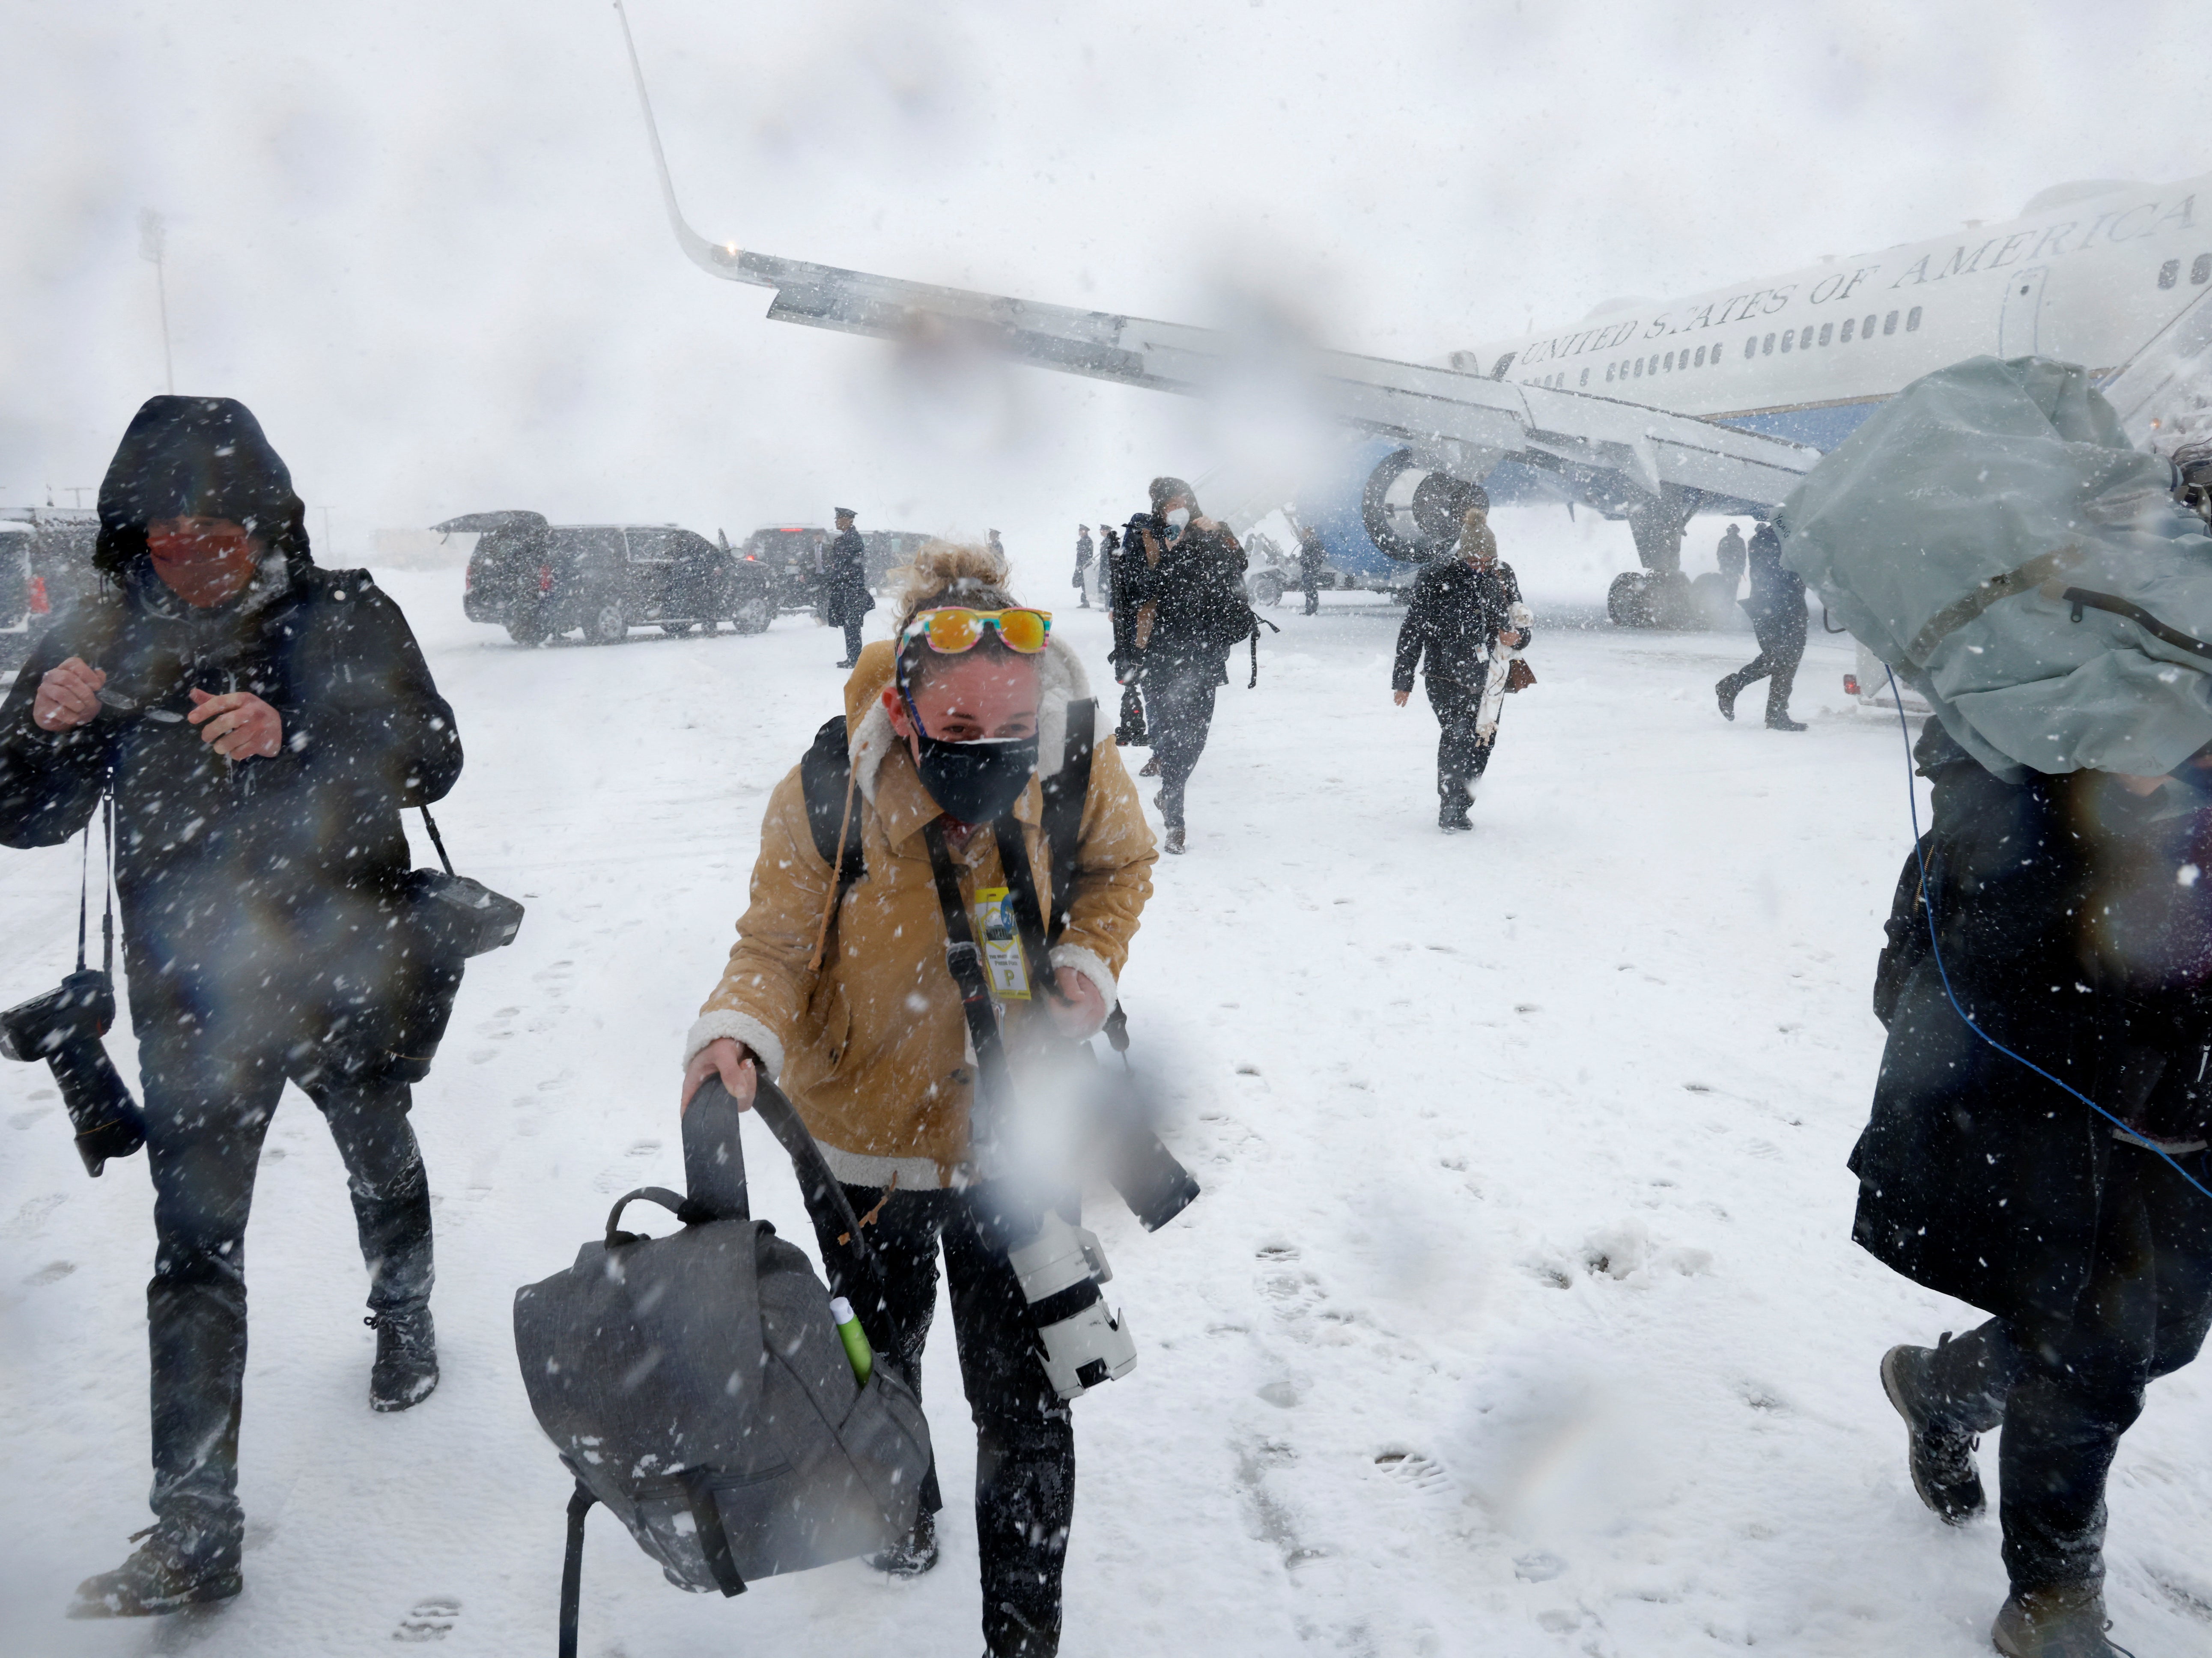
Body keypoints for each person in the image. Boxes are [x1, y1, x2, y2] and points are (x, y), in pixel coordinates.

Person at [0, 397, 463, 1616]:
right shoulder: (102, 632)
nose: (189, 558)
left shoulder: (345, 612)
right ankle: (195, 1526)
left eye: (211, 534)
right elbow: (22, 815)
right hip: (193, 993)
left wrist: (296, 730)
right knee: (193, 1250)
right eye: (161, 539)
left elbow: (432, 756)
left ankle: (403, 1307)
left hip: (346, 960)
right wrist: (41, 729)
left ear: (264, 519)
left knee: (376, 1144)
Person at [680, 541, 1156, 1658]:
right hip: (864, 1153)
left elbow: (1121, 866)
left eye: (1005, 725)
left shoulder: (1074, 757)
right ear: (904, 701)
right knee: (877, 1376)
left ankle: (1021, 1635)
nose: (982, 747)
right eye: (954, 724)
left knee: (1027, 1408)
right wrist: (733, 1029)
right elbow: (775, 942)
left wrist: (1086, 957)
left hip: (1015, 1142)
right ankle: (903, 1512)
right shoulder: (824, 787)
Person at [1859, 716, 2212, 1658]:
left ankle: (1941, 1390)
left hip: (2191, 1108)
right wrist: (2112, 804)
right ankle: (2049, 1604)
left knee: (2168, 1336)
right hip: (2059, 1102)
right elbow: (1970, 934)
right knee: (2093, 1358)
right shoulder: (2037, 722)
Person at [1121, 477, 1250, 856]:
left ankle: (1170, 790)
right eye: (1173, 502)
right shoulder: (1145, 535)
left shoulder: (1210, 529)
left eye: (1186, 500)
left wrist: (1219, 534)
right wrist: (1172, 551)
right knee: (1170, 730)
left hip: (1206, 648)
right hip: (1161, 649)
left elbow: (1238, 564)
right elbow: (1138, 588)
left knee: (1197, 734)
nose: (1181, 506)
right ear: (1159, 505)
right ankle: (1175, 816)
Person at [1391, 503, 1529, 832]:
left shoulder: (1502, 574)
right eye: (1473, 561)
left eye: (1487, 562)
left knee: (1482, 741)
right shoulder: (1438, 576)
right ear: (1461, 556)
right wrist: (1403, 679)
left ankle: (1463, 803)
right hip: (1445, 674)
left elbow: (1521, 621)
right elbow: (1413, 630)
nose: (1481, 568)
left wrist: (1518, 637)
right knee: (1457, 736)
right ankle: (1450, 805)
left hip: (1490, 677)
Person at [1715, 519, 1807, 731]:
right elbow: (1782, 573)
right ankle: (1736, 690)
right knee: (1780, 658)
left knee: (1785, 659)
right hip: (1777, 606)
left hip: (1783, 605)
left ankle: (1773, 712)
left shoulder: (1775, 538)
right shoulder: (1775, 539)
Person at [823, 507, 871, 666]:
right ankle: (853, 657)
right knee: (849, 624)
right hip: (847, 587)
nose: (836, 521)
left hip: (851, 588)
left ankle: (855, 658)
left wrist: (838, 578)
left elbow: (850, 565)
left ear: (848, 520)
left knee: (852, 625)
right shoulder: (846, 538)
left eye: (839, 518)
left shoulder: (853, 538)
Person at [1296, 521, 1327, 617]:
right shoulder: (1314, 541)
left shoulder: (1312, 542)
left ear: (1308, 532)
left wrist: (1307, 563)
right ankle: (1311, 609)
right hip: (1311, 569)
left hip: (1310, 569)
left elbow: (1315, 557)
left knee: (1309, 589)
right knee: (1311, 589)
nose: (1302, 534)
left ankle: (1310, 610)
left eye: (1304, 532)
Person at [1714, 521, 1747, 597]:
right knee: (1732, 587)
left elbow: (1719, 555)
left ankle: (1728, 601)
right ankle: (1730, 601)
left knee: (1728, 586)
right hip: (1732, 568)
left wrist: (1724, 564)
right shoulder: (1739, 541)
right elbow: (1743, 557)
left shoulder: (1725, 541)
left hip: (1730, 568)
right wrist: (1741, 568)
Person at [1073, 524, 1094, 608]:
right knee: (1082, 583)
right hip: (1081, 565)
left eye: (1082, 530)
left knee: (1085, 583)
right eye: (1080, 530)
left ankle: (1086, 601)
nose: (1080, 532)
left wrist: (1084, 566)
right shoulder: (1083, 540)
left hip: (1084, 566)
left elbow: (1088, 555)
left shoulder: (1087, 541)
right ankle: (1085, 601)